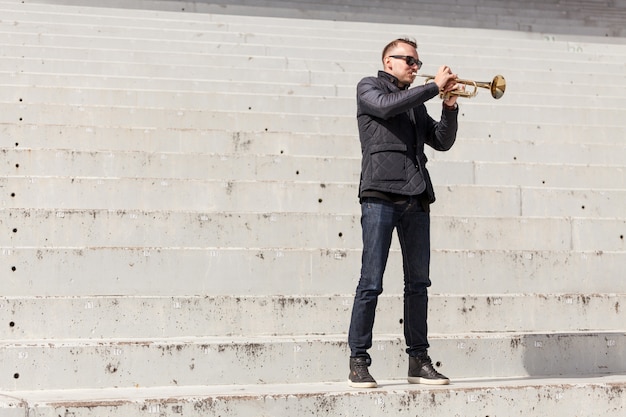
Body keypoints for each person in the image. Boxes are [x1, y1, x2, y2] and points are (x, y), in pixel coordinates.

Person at [347, 37, 461, 388]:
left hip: (415, 197)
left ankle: (418, 359)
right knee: (371, 281)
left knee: (418, 284)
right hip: (380, 195)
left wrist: (450, 107)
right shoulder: (370, 87)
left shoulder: (415, 103)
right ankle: (358, 360)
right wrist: (431, 88)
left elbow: (440, 141)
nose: (415, 66)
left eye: (417, 62)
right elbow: (384, 107)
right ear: (388, 61)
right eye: (409, 61)